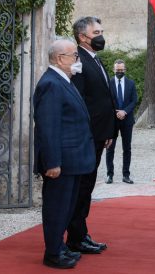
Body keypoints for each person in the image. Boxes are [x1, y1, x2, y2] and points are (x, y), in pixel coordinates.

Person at [33, 39, 95, 269]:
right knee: (57, 207)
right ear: (60, 58)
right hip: (62, 162)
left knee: (67, 207)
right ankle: (52, 252)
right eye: (74, 56)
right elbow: (48, 127)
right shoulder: (51, 83)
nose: (77, 61)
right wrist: (52, 162)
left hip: (74, 160)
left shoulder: (63, 80)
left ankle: (59, 247)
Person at [66, 16, 114, 254]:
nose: (101, 36)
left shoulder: (94, 59)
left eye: (101, 31)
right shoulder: (78, 61)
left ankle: (80, 233)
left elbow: (102, 99)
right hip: (87, 136)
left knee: (88, 186)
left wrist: (108, 131)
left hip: (98, 135)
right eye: (96, 33)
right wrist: (90, 133)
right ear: (82, 37)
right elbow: (80, 101)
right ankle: (76, 237)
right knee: (82, 187)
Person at [106, 59, 138, 184]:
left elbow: (134, 100)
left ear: (125, 70)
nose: (119, 72)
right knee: (110, 148)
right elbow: (107, 100)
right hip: (112, 120)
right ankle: (110, 175)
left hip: (127, 119)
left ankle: (126, 175)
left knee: (127, 148)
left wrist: (124, 112)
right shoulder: (109, 83)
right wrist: (116, 112)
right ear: (114, 70)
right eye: (117, 70)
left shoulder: (131, 83)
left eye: (121, 70)